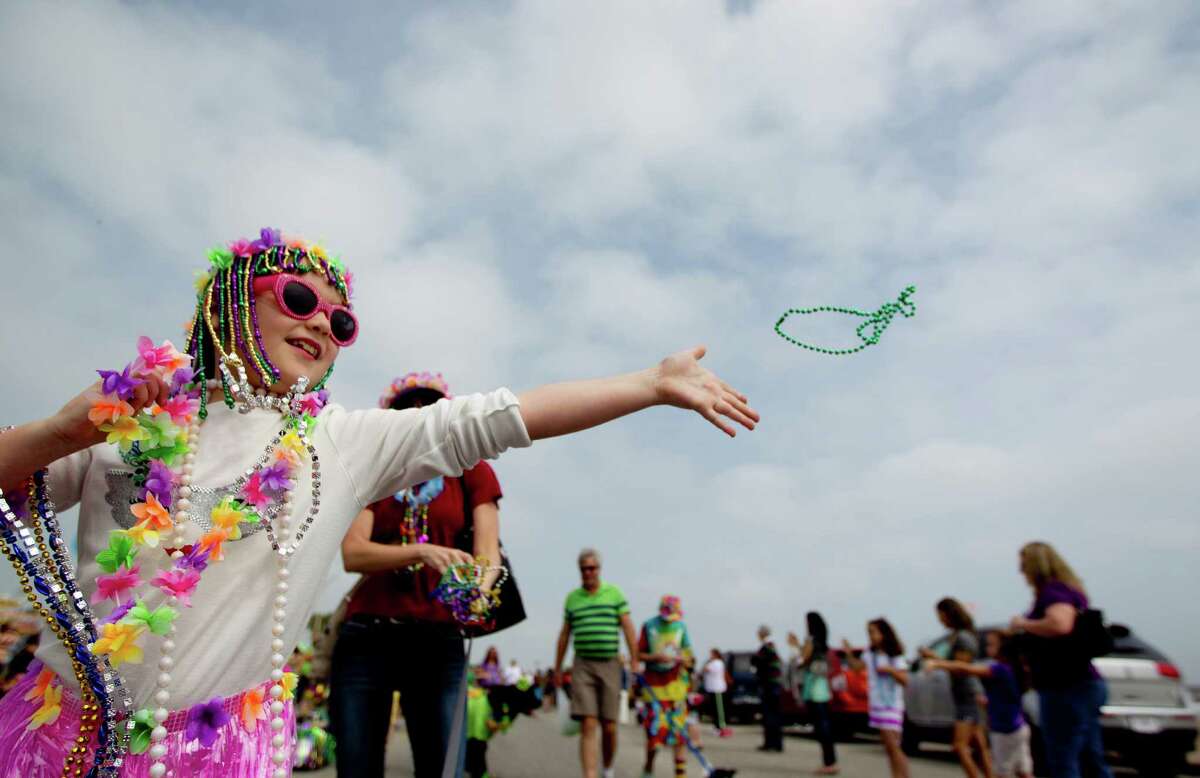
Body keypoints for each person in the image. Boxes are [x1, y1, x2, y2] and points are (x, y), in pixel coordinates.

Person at [0, 228, 758, 777]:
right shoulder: (136, 414)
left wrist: (648, 386)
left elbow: (502, 415)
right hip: (55, 731)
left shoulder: (345, 442)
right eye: (299, 298)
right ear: (229, 301)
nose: (321, 324)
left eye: (340, 321)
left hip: (218, 750)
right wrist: (59, 431)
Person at [328, 371, 505, 778]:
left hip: (437, 641)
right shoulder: (376, 475)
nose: (419, 411)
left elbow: (488, 553)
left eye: (430, 404)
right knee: (356, 768)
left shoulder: (470, 469)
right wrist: (421, 552)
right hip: (368, 637)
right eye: (407, 405)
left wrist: (480, 588)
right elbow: (353, 554)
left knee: (443, 767)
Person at [1010, 542, 1112, 778]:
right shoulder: (1069, 590)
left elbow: (1060, 624)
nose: (1021, 571)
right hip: (1081, 684)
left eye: (1024, 565)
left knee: (1062, 757)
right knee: (1090, 756)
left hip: (1066, 686)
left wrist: (1022, 624)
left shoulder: (1054, 592)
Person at [554, 549, 639, 778]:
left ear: (599, 569)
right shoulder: (573, 598)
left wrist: (635, 659)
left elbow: (628, 627)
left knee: (609, 725)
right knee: (588, 723)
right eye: (584, 568)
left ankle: (608, 768)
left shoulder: (614, 594)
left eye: (592, 568)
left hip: (610, 663)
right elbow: (564, 635)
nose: (588, 572)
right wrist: (558, 668)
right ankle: (589, 774)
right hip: (583, 665)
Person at [927, 631, 1033, 778]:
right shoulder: (1013, 669)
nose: (986, 648)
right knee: (1024, 772)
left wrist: (937, 663)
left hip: (1005, 732)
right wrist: (988, 702)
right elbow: (1006, 697)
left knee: (1003, 772)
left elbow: (964, 668)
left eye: (991, 645)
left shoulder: (1000, 669)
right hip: (1019, 728)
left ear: (1004, 647)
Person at [922, 598, 993, 778]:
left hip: (968, 695)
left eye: (940, 615)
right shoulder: (957, 635)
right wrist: (935, 657)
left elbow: (961, 666)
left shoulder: (963, 636)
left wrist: (936, 663)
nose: (939, 620)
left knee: (960, 746)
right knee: (979, 745)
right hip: (964, 694)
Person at [843, 619, 910, 778]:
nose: (871, 636)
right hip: (877, 704)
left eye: (873, 632)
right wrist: (849, 654)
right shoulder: (870, 653)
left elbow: (905, 680)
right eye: (869, 633)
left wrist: (890, 670)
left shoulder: (894, 655)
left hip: (891, 704)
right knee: (889, 747)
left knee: (894, 746)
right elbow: (857, 667)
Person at [637, 595, 694, 778]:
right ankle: (648, 768)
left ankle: (680, 775)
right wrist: (655, 658)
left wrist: (685, 659)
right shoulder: (649, 626)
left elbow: (688, 653)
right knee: (655, 737)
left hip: (677, 688)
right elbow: (638, 654)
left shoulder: (681, 627)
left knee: (679, 736)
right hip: (654, 689)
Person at [791, 611, 838, 775]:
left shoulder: (812, 641)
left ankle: (829, 762)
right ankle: (830, 761)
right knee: (824, 724)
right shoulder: (823, 642)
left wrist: (796, 645)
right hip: (822, 686)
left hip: (814, 686)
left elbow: (803, 659)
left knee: (821, 726)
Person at [750, 625, 784, 753]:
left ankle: (771, 743)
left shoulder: (767, 646)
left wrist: (755, 661)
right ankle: (775, 743)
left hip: (769, 684)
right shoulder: (770, 646)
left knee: (770, 714)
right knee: (774, 714)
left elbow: (758, 661)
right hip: (772, 684)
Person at [701, 648, 732, 737]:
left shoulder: (718, 663)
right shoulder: (712, 663)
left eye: (711, 654)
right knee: (714, 709)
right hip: (712, 689)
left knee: (719, 710)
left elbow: (706, 669)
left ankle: (722, 727)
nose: (710, 656)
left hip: (718, 689)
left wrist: (707, 665)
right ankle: (716, 727)